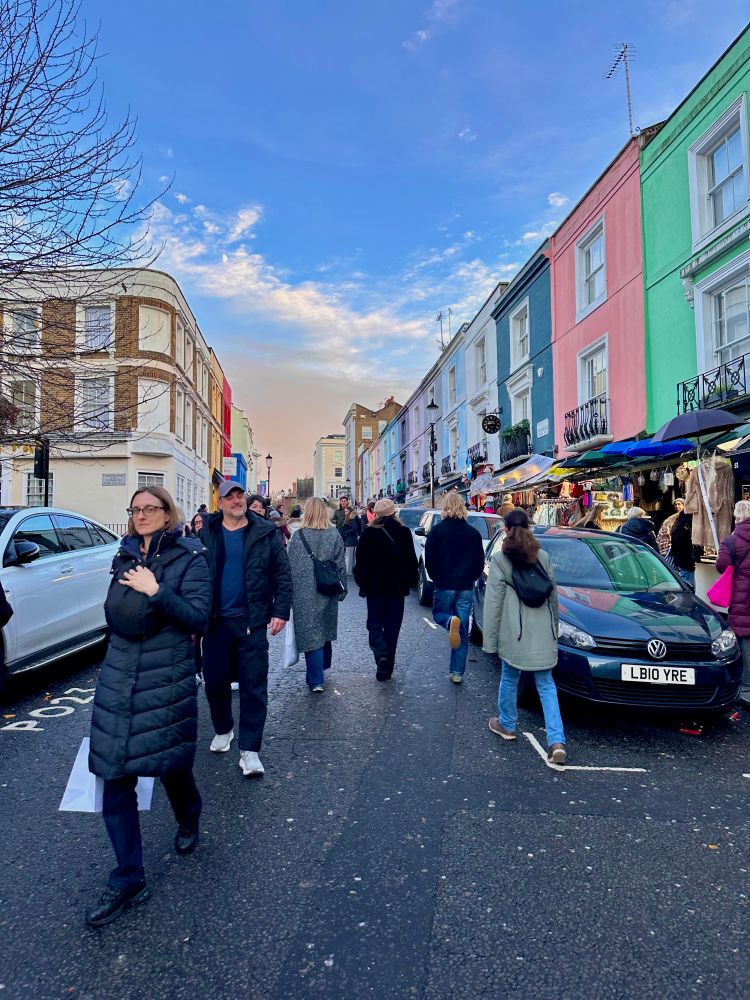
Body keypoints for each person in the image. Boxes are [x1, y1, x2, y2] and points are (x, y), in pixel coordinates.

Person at [86, 487, 212, 927]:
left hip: (166, 671)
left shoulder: (190, 557)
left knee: (169, 763)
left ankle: (189, 817)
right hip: (120, 672)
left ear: (166, 513)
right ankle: (128, 877)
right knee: (113, 770)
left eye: (150, 509)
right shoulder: (122, 556)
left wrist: (156, 590)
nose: (141, 515)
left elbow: (198, 617)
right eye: (135, 509)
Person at [200, 481, 292, 776]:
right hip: (215, 622)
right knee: (215, 682)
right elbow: (197, 574)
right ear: (220, 502)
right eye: (230, 497)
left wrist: (280, 611)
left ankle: (250, 751)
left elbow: (282, 573)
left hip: (251, 621)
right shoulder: (208, 532)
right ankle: (224, 729)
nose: (237, 501)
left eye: (240, 495)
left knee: (254, 686)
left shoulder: (265, 532)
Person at [482, 509, 567, 765]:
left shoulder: (500, 560)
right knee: (547, 685)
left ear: (506, 530)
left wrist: (490, 641)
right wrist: (555, 629)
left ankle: (507, 724)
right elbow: (553, 597)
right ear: (530, 528)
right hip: (543, 634)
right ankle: (556, 741)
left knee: (509, 677)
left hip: (515, 634)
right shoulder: (543, 557)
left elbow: (494, 603)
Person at [353, 498, 418, 681]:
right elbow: (411, 561)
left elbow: (360, 564)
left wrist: (363, 583)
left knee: (374, 624)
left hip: (374, 588)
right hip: (397, 589)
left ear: (376, 514)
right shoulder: (404, 532)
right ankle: (386, 668)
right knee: (392, 628)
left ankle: (381, 654)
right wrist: (409, 582)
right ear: (393, 513)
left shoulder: (368, 534)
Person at [287, 497, 347, 692]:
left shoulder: (298, 536)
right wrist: (342, 588)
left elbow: (290, 567)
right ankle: (321, 668)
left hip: (303, 592)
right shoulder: (334, 534)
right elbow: (340, 564)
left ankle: (316, 680)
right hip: (327, 588)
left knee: (310, 633)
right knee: (323, 628)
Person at [425, 492, 485, 684]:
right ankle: (457, 672)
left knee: (439, 614)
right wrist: (471, 578)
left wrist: (436, 578)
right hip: (465, 586)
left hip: (444, 584)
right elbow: (479, 562)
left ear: (445, 508)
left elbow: (429, 561)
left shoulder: (436, 532)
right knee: (463, 632)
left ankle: (450, 621)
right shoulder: (473, 534)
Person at [716, 499, 750, 710]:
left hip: (742, 593)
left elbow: (722, 566)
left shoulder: (730, 540)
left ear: (737, 516)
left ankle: (745, 682)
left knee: (743, 637)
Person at [332, 495, 361, 574]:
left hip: (348, 535)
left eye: (345, 501)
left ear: (347, 502)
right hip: (339, 534)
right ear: (340, 502)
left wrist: (358, 534)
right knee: (341, 552)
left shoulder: (352, 511)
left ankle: (348, 570)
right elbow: (332, 520)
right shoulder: (337, 511)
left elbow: (357, 523)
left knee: (349, 554)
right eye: (342, 501)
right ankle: (343, 568)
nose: (343, 502)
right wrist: (337, 523)